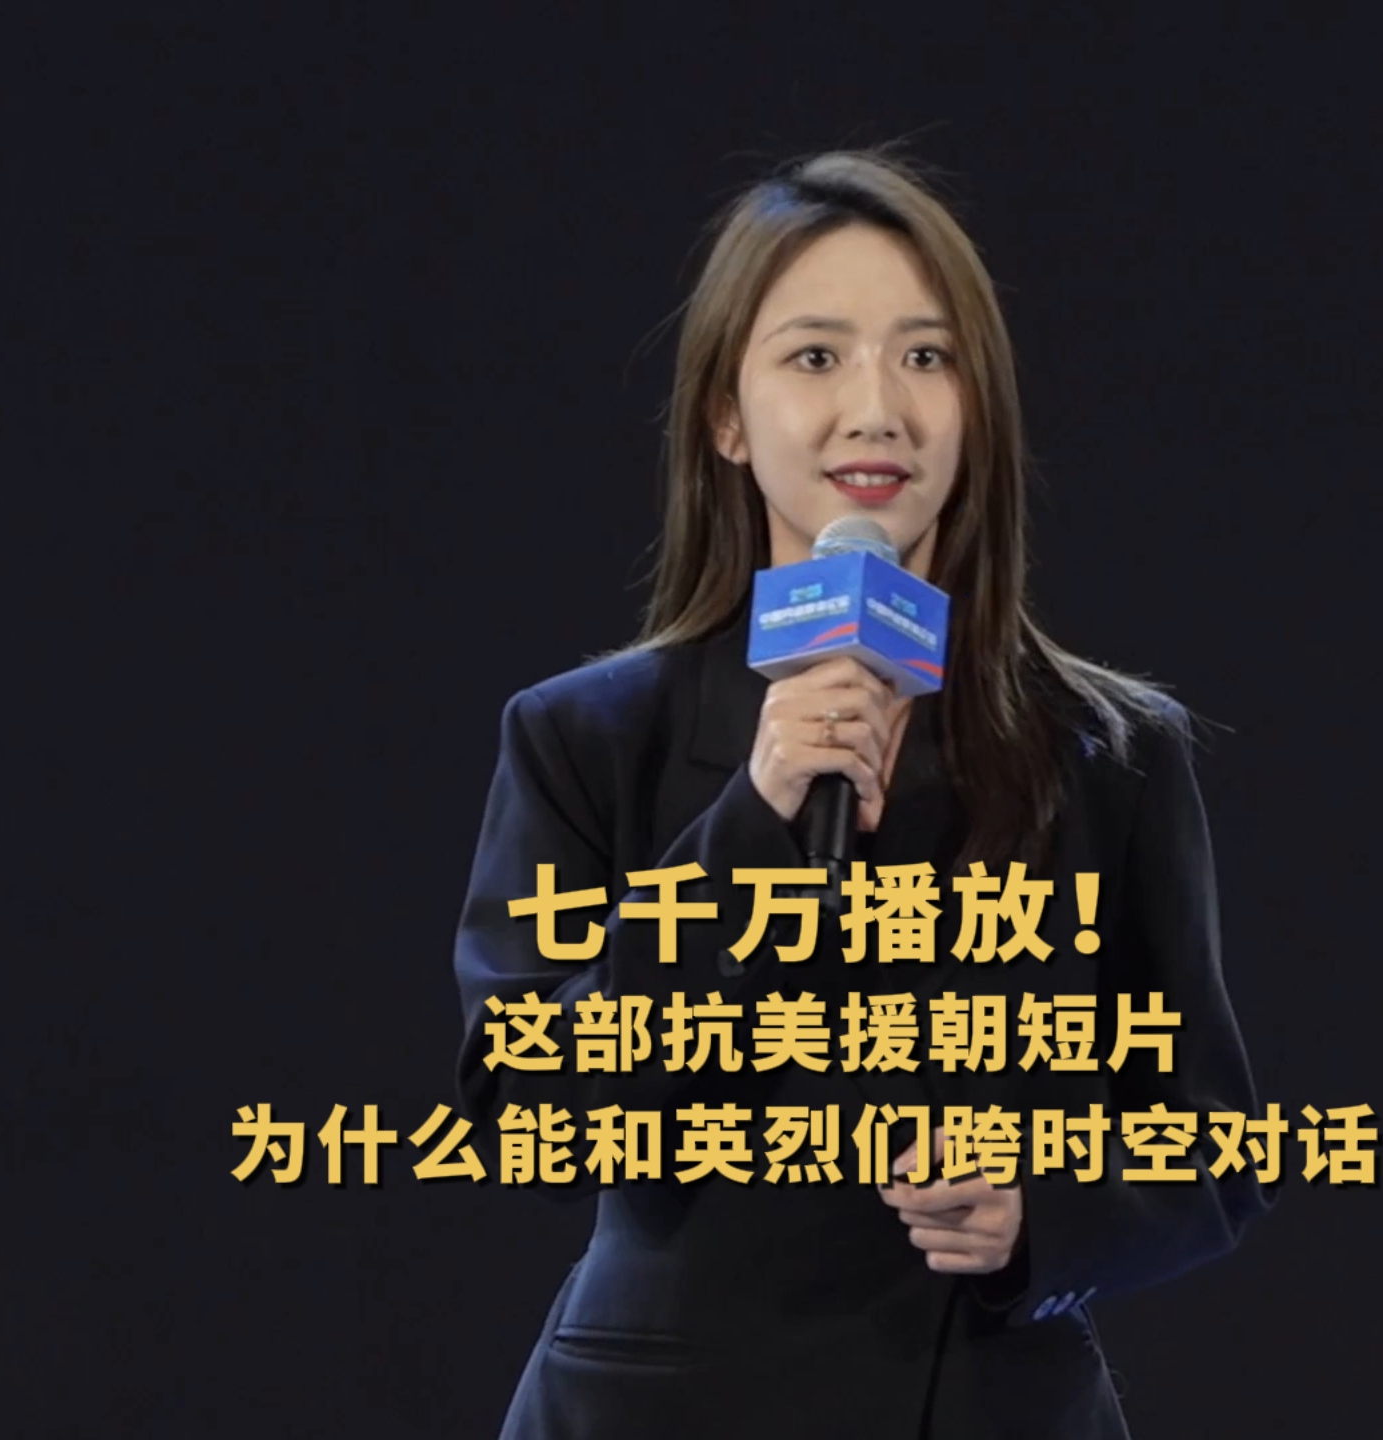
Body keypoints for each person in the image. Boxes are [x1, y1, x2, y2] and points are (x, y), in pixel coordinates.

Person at [451, 148, 1267, 1439]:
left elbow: (1213, 1144)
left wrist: (1042, 1216)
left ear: (978, 410)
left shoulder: (1107, 754)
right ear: (727, 417)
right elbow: (529, 1125)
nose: (876, 409)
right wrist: (755, 821)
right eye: (817, 357)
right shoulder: (588, 737)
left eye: (926, 357)